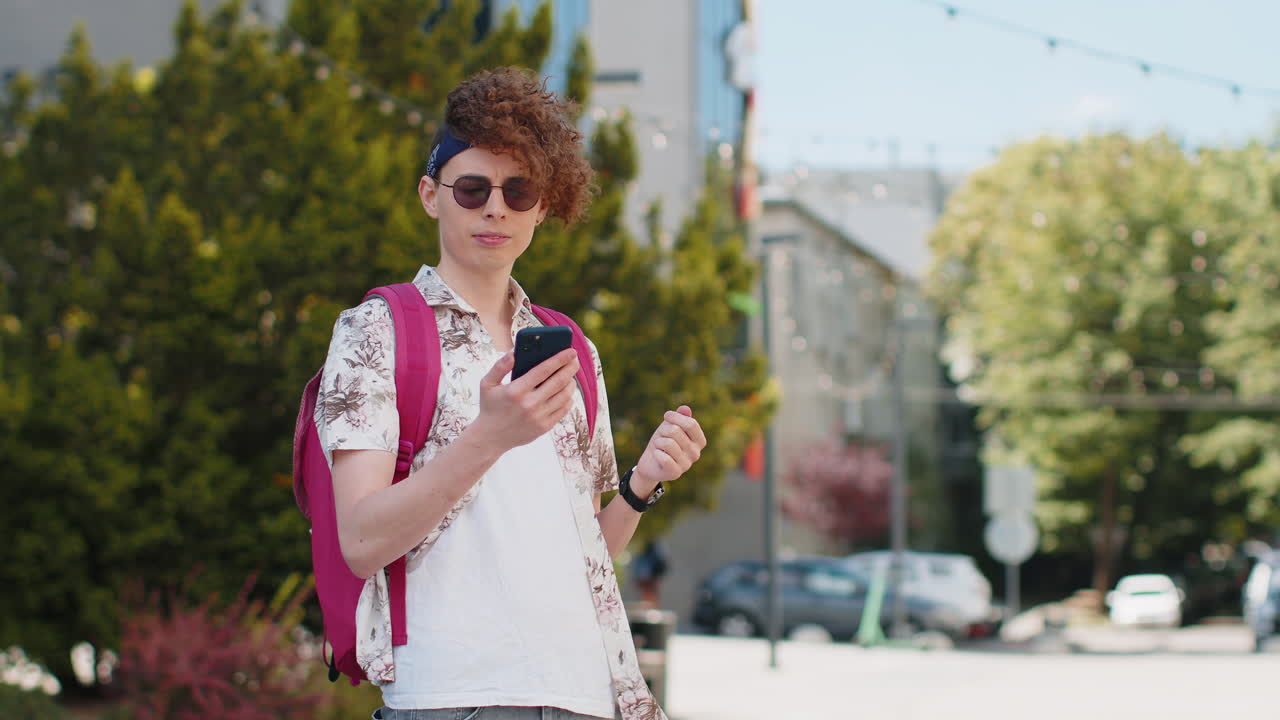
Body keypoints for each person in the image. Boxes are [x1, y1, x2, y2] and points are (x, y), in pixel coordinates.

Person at [315, 67, 705, 720]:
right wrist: (488, 438)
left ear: (543, 207)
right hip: (454, 695)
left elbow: (586, 555)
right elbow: (360, 541)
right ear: (430, 195)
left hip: (589, 693)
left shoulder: (571, 348)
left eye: (518, 190)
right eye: (472, 188)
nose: (496, 207)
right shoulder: (377, 331)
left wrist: (642, 484)